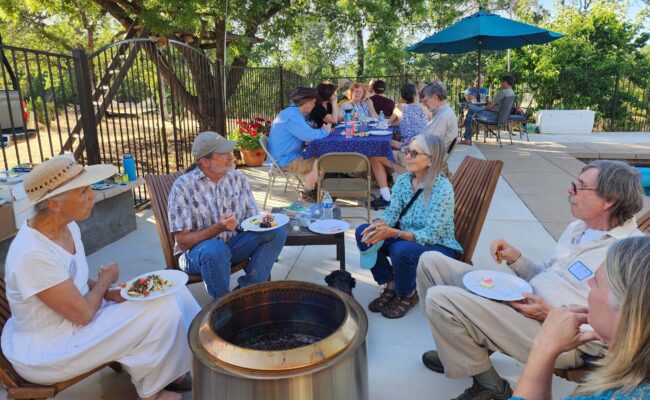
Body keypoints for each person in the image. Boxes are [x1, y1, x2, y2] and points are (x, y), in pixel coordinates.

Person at [416, 160, 644, 400]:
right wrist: (517, 259)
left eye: (580, 186)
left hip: (570, 339)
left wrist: (551, 314)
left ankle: (491, 386)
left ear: (610, 200)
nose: (570, 189)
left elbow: (624, 328)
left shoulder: (628, 255)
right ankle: (456, 349)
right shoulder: (579, 228)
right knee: (431, 261)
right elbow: (548, 278)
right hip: (527, 306)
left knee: (440, 300)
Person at [1, 157, 201, 400]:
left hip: (74, 321)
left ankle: (175, 368)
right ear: (54, 204)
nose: (92, 196)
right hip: (51, 349)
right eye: (83, 191)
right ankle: (154, 391)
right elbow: (83, 315)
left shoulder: (67, 226)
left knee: (171, 291)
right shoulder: (32, 255)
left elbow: (73, 277)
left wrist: (108, 292)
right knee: (161, 309)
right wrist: (106, 281)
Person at [512, 236, 650, 400]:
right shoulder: (577, 229)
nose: (590, 283)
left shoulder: (620, 395)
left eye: (597, 282)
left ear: (628, 310)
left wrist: (543, 347)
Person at [168, 131, 287, 299]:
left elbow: (252, 219)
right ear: (204, 162)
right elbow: (182, 241)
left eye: (230, 152)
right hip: (197, 254)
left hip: (232, 245)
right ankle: (224, 306)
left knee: (276, 232)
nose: (231, 157)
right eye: (224, 154)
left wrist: (265, 221)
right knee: (215, 250)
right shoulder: (183, 187)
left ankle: (245, 294)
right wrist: (217, 228)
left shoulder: (237, 178)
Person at [356, 134, 463, 319]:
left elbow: (431, 234)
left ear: (430, 161)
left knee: (400, 249)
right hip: (407, 239)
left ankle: (408, 293)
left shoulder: (442, 188)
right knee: (363, 233)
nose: (407, 156)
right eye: (407, 151)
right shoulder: (405, 181)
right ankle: (390, 283)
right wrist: (381, 224)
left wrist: (395, 233)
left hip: (439, 246)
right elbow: (392, 213)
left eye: (414, 153)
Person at [367, 83, 429, 210]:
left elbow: (388, 123)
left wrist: (399, 123)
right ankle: (396, 182)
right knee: (391, 146)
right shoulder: (424, 108)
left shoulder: (400, 107)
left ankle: (386, 196)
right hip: (424, 151)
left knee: (374, 155)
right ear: (415, 95)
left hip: (408, 154)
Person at [269, 86, 332, 202]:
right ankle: (308, 194)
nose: (314, 106)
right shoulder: (292, 116)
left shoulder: (291, 113)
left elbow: (307, 133)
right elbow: (307, 135)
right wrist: (326, 132)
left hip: (287, 155)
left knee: (321, 158)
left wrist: (320, 132)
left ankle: (317, 191)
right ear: (306, 101)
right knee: (322, 162)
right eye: (313, 103)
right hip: (285, 160)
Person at [460, 75, 515, 145]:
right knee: (471, 113)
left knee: (471, 109)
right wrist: (488, 104)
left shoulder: (503, 92)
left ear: (505, 82)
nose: (501, 84)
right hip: (502, 118)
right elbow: (498, 105)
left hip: (492, 117)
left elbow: (490, 107)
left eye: (501, 82)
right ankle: (466, 131)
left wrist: (483, 108)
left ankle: (467, 137)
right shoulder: (512, 93)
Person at [420, 82, 458, 149]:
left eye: (425, 101)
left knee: (395, 154)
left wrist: (406, 145)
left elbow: (425, 144)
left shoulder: (442, 116)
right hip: (432, 153)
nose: (423, 104)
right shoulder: (445, 111)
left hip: (429, 156)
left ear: (435, 97)